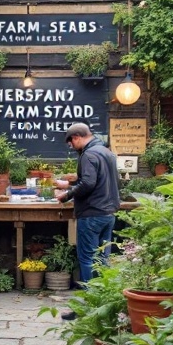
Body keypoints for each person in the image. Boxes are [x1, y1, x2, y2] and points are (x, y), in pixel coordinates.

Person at [54, 122, 120, 320]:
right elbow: (100, 178)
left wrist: (66, 195)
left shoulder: (88, 154)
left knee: (87, 259)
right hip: (108, 213)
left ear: (77, 138)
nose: (72, 147)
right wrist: (73, 182)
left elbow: (90, 183)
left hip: (91, 214)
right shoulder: (106, 152)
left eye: (71, 144)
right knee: (102, 260)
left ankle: (86, 308)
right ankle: (103, 305)